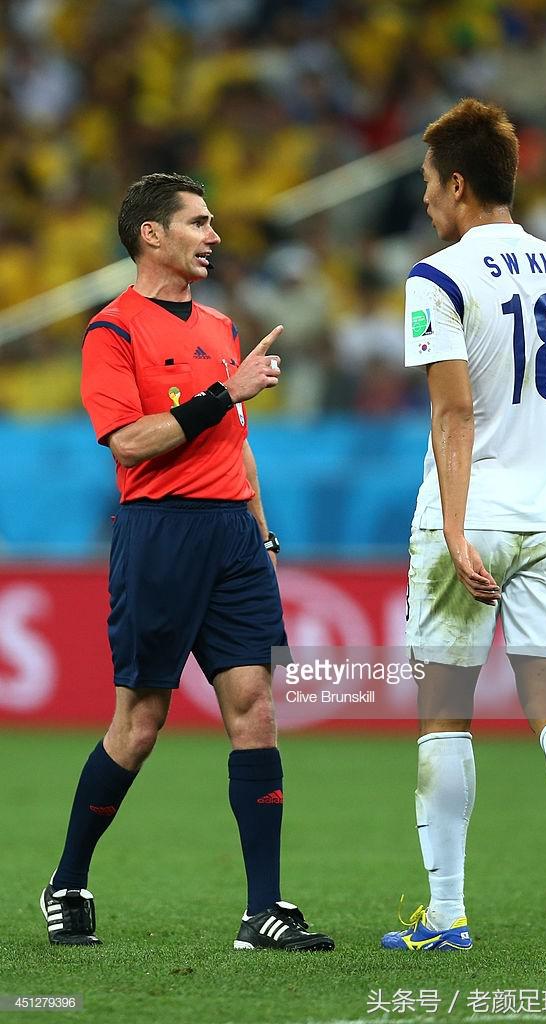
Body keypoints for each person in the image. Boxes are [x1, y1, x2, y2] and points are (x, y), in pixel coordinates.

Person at [40, 172, 334, 953]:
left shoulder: (222, 325)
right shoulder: (113, 332)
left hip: (232, 539)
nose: (212, 235)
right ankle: (67, 881)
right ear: (151, 234)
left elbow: (235, 440)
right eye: (197, 223)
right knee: (139, 724)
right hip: (159, 534)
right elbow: (129, 442)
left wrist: (261, 532)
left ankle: (262, 911)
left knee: (256, 709)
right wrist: (221, 391)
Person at [380, 100, 546, 957]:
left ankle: (446, 916)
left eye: (425, 184)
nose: (422, 201)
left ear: (456, 183)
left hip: (470, 519)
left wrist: (456, 530)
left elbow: (453, 415)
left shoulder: (436, 277)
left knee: (444, 717)